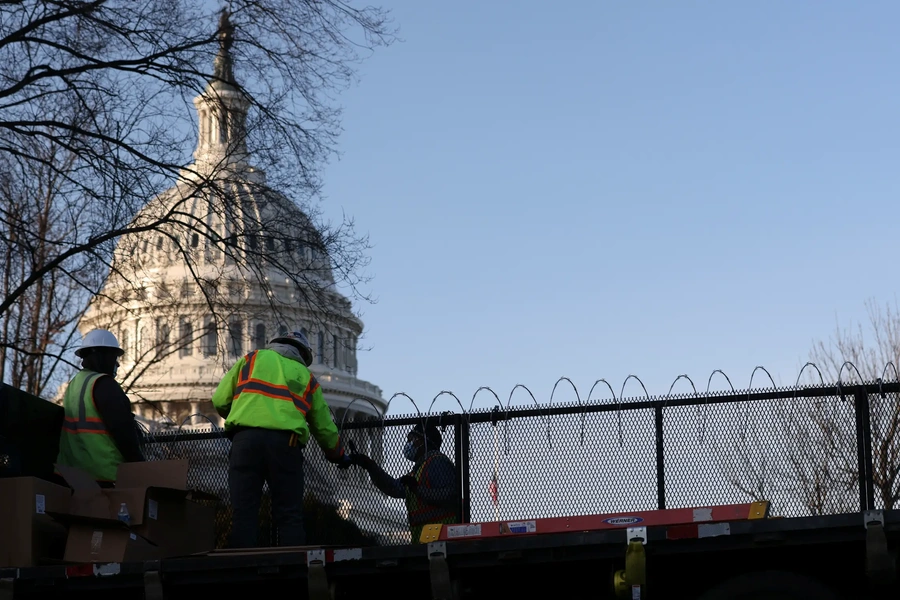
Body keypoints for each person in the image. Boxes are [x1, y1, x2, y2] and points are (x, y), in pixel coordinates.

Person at [212, 329, 352, 548]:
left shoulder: (251, 359)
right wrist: (338, 454)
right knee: (289, 515)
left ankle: (240, 572)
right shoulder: (306, 377)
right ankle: (292, 570)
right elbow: (323, 425)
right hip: (285, 446)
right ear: (303, 354)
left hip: (245, 442)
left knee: (243, 513)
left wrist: (241, 414)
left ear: (275, 344)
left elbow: (220, 399)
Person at [56, 329, 145, 487]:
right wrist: (140, 464)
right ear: (102, 356)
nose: (116, 363)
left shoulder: (74, 386)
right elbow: (123, 431)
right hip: (105, 476)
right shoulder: (104, 384)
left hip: (73, 476)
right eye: (113, 357)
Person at [351, 423, 459, 543]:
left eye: (411, 439)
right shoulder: (418, 470)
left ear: (422, 441)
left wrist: (418, 490)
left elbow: (449, 495)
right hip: (426, 540)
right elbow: (393, 488)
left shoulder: (437, 463)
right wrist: (369, 465)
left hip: (442, 539)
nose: (408, 443)